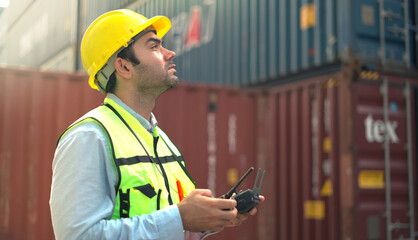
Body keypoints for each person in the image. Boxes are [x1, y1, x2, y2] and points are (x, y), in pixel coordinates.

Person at [50, 9, 264, 240]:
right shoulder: (90, 138)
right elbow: (79, 236)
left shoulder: (160, 140)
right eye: (154, 47)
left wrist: (208, 219)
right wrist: (179, 218)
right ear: (123, 67)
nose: (170, 53)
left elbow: (171, 225)